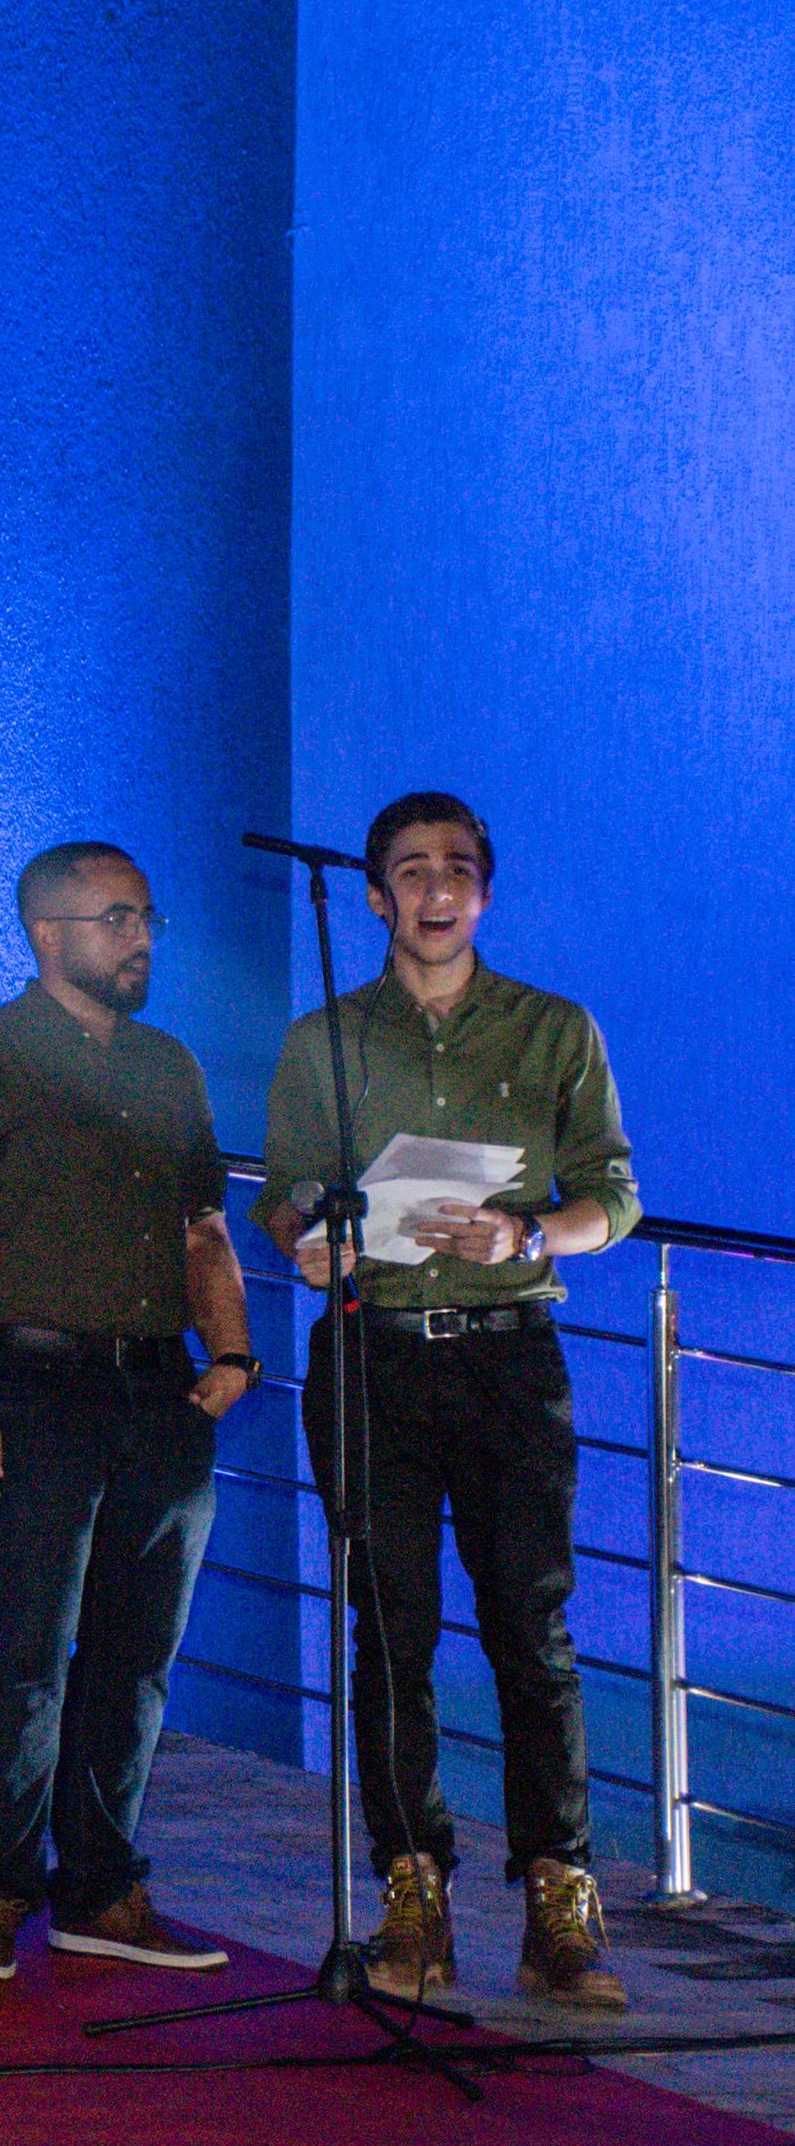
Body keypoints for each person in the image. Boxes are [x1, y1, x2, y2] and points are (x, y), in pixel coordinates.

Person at [257, 793, 638, 2011]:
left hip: (507, 1352)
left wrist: (525, 1225)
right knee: (389, 1626)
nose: (434, 889)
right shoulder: (322, 1035)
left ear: (484, 891)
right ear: (371, 892)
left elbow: (612, 1194)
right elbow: (284, 1193)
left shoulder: (549, 1029)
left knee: (532, 1627)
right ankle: (409, 1886)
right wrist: (308, 1239)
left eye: (458, 870)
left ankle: (558, 1898)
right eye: (410, 870)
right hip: (373, 1352)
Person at [0, 840, 257, 1984]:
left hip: (160, 1388)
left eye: (145, 916)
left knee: (135, 1655)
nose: (139, 937)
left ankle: (100, 1884)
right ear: (46, 934)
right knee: (20, 1651)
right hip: (25, 1384)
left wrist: (234, 1352)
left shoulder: (169, 1067)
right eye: (114, 918)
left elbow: (203, 1227)